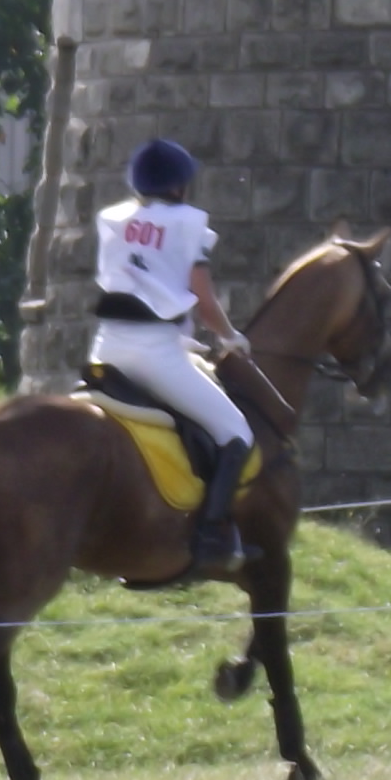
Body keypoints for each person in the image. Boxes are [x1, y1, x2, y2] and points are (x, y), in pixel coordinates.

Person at [90, 138, 255, 583]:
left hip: (105, 349)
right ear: (180, 186)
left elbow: (135, 284)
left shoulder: (113, 218)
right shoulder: (188, 222)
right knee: (235, 432)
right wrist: (228, 336)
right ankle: (213, 536)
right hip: (154, 354)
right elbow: (202, 297)